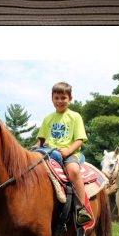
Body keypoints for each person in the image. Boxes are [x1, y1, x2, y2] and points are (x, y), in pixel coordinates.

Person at [31, 82, 92, 225]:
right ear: (52, 99)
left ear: (70, 99)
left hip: (68, 153)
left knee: (74, 171)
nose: (59, 101)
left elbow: (79, 139)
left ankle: (81, 209)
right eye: (56, 98)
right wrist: (34, 147)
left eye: (63, 98)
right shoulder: (48, 118)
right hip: (47, 152)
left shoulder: (75, 117)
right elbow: (41, 140)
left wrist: (68, 151)